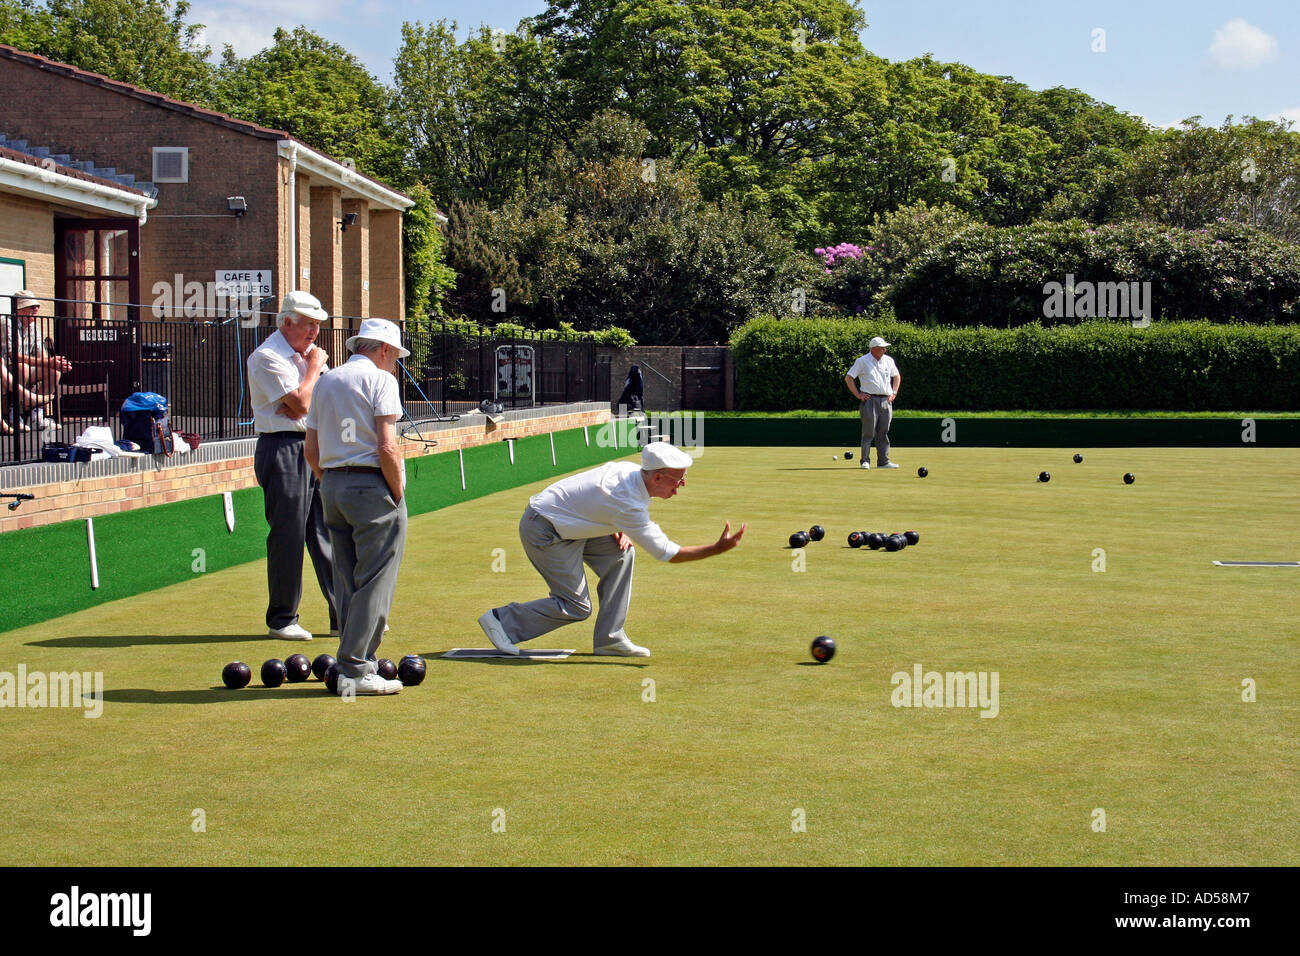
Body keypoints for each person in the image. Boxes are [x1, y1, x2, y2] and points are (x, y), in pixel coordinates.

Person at [477, 441, 747, 658]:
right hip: (545, 530)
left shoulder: (632, 474)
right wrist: (716, 549)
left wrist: (617, 525)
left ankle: (610, 639)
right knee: (576, 606)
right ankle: (501, 621)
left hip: (572, 524)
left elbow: (598, 502)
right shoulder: (627, 502)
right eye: (679, 478)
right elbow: (667, 553)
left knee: (622, 554)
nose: (683, 484)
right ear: (657, 477)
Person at [304, 318, 409, 696]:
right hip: (371, 486)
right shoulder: (382, 381)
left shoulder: (326, 380)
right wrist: (396, 492)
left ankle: (350, 662)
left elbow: (310, 449)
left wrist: (328, 481)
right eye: (394, 355)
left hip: (331, 484)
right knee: (376, 579)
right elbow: (386, 446)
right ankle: (355, 667)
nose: (394, 362)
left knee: (347, 579)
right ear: (383, 349)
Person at [246, 291, 337, 641]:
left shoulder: (303, 356)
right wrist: (312, 373)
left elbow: (320, 401)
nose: (315, 332)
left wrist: (304, 395)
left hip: (314, 444)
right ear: (286, 322)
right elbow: (300, 406)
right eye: (308, 325)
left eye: (317, 325)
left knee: (326, 530)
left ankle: (342, 613)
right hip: (282, 447)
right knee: (288, 534)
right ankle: (282, 619)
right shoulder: (267, 357)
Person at [1, 291, 64, 433]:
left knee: (54, 372)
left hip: (28, 367)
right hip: (7, 367)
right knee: (22, 367)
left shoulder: (34, 326)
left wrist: (55, 363)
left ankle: (37, 416)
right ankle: (14, 414)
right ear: (20, 309)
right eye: (32, 306)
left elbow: (42, 354)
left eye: (37, 306)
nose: (36, 309)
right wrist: (47, 361)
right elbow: (11, 355)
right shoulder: (7, 322)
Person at [844, 335, 901, 469]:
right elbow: (849, 378)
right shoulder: (862, 361)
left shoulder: (888, 360)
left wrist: (894, 393)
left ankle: (884, 462)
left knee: (883, 432)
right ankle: (865, 461)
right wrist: (858, 394)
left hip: (886, 400)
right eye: (882, 348)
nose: (884, 350)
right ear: (874, 349)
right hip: (869, 400)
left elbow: (897, 376)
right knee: (868, 432)